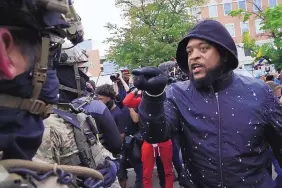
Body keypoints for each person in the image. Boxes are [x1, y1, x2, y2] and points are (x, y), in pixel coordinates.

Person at [132, 19, 282, 187]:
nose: (194, 56)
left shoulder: (259, 92)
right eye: (189, 52)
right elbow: (154, 134)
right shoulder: (177, 94)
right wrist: (153, 96)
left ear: (224, 54)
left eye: (203, 49)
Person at [34, 44, 121, 188]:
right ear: (63, 73)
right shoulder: (45, 126)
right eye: (82, 70)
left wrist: (111, 164)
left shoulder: (77, 114)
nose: (86, 77)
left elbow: (98, 149)